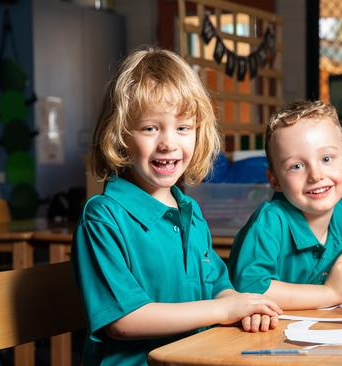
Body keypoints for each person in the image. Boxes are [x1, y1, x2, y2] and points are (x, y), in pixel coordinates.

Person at [72, 48, 282, 366]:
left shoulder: (191, 212)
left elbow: (218, 285)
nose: (169, 142)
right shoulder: (103, 217)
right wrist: (223, 310)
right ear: (120, 136)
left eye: (183, 128)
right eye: (150, 128)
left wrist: (242, 304)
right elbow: (124, 321)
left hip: (195, 358)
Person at [228, 100, 342, 310]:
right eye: (296, 166)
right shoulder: (270, 222)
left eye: (326, 158)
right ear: (275, 180)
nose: (316, 175)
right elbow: (250, 289)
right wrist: (329, 293)